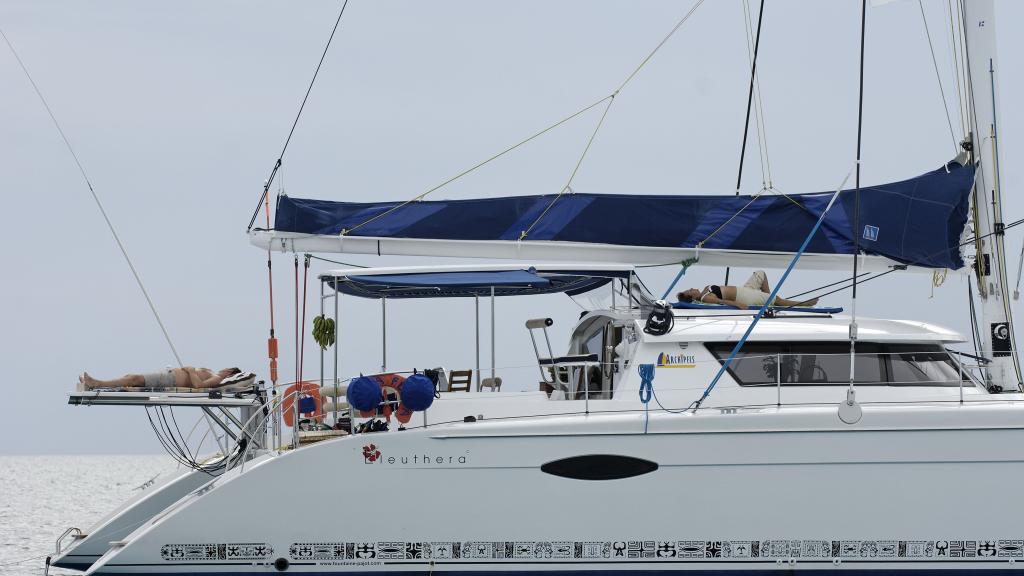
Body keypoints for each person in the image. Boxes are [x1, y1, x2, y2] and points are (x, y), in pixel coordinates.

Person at [677, 270, 818, 309]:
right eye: (689, 291)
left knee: (760, 273)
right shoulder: (704, 298)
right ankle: (804, 303)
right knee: (777, 300)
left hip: (743, 290)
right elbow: (722, 301)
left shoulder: (705, 289)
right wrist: (738, 304)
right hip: (743, 297)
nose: (691, 288)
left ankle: (768, 299)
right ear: (692, 297)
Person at [79, 367, 243, 390]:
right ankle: (94, 384)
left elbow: (199, 386)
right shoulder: (213, 373)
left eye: (228, 370)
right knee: (131, 378)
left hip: (170, 380)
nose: (224, 368)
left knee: (134, 379)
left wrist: (191, 370)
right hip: (169, 375)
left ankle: (96, 383)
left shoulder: (217, 379)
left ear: (229, 374)